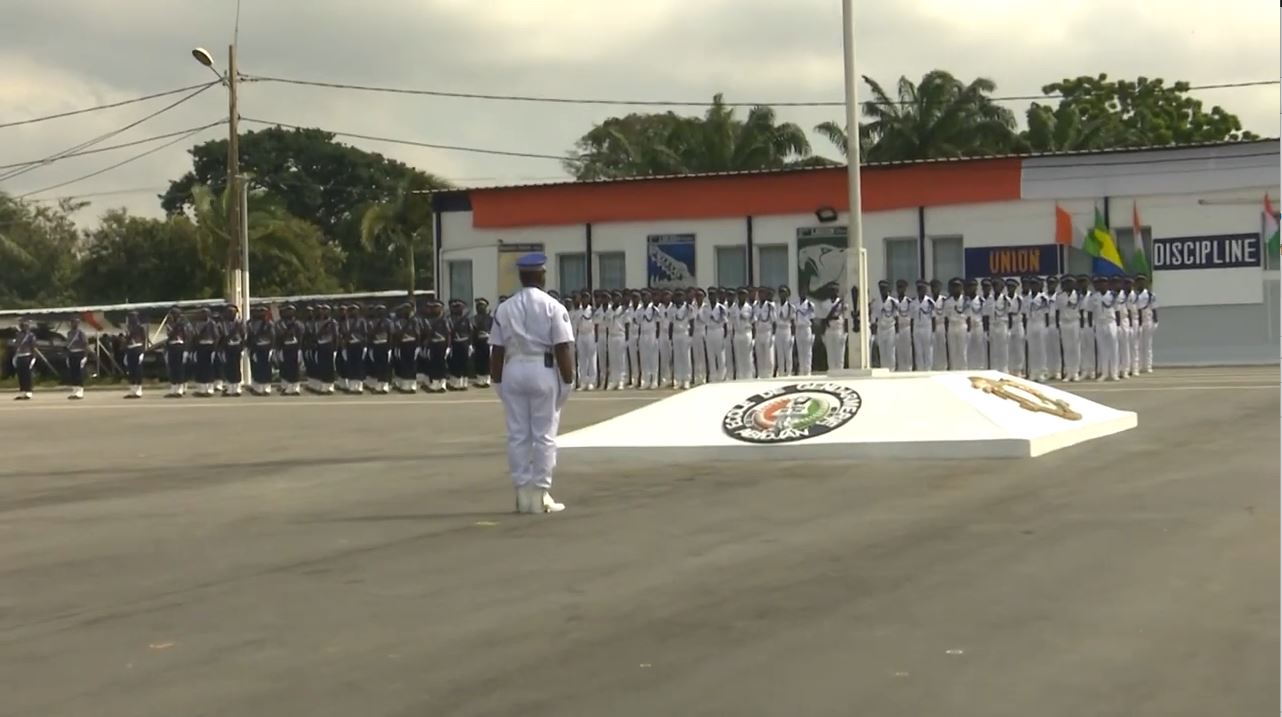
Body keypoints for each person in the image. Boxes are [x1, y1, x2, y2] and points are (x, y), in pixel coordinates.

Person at [488, 252, 575, 514]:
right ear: (540, 275)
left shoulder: (504, 308)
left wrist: (498, 382)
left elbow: (497, 349)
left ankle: (522, 493)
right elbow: (562, 347)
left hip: (513, 369)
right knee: (544, 435)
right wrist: (567, 381)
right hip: (542, 368)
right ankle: (540, 493)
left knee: (518, 435)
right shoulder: (553, 306)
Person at [1093, 276, 1120, 381]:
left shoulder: (1113, 296)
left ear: (1107, 284)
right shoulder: (1095, 296)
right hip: (1100, 324)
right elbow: (1091, 311)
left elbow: (1117, 311)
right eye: (1100, 283)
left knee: (1114, 349)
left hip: (1111, 322)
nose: (1102, 285)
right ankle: (1104, 373)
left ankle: (1114, 373)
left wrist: (1118, 325)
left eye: (1104, 283)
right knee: (1102, 349)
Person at [421, 300, 450, 393]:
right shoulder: (430, 320)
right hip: (433, 345)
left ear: (441, 308)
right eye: (433, 307)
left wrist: (448, 347)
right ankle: (435, 383)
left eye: (437, 307)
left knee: (442, 365)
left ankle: (442, 384)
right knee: (434, 364)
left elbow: (448, 334)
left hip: (442, 344)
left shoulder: (445, 320)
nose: (435, 309)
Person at [191, 307, 220, 397]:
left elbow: (216, 336)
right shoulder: (196, 324)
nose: (203, 315)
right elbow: (194, 336)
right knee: (200, 369)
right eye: (201, 313)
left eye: (205, 313)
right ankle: (201, 389)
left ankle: (209, 389)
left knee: (209, 368)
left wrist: (214, 348)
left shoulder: (212, 324)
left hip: (209, 346)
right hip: (200, 347)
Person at [276, 304, 305, 396]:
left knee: (295, 369)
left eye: (290, 311)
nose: (288, 312)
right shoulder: (281, 324)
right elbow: (278, 337)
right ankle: (289, 387)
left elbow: (301, 337)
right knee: (287, 368)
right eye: (287, 311)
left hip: (295, 348)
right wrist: (278, 349)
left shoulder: (298, 324)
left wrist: (300, 349)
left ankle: (296, 387)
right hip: (285, 348)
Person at [163, 306, 191, 398]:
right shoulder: (169, 324)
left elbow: (187, 336)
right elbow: (169, 335)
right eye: (172, 313)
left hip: (180, 345)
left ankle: (180, 389)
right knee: (172, 368)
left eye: (175, 313)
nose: (173, 315)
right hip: (172, 346)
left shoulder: (184, 324)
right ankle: (173, 388)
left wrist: (186, 350)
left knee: (180, 368)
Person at [248, 306, 275, 396]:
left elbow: (272, 337)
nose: (260, 314)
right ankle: (258, 388)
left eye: (263, 312)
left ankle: (267, 388)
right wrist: (250, 348)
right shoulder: (250, 324)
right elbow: (248, 337)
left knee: (267, 368)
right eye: (258, 311)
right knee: (256, 368)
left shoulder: (269, 324)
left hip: (266, 348)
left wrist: (272, 348)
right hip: (255, 349)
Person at [447, 299, 473, 391]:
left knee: (465, 363)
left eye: (459, 307)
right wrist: (449, 346)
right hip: (455, 343)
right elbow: (449, 333)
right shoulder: (450, 319)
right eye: (455, 307)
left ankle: (464, 383)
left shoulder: (467, 320)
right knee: (455, 363)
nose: (458, 309)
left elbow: (470, 332)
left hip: (464, 343)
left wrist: (470, 344)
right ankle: (456, 383)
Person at [574, 291, 598, 391]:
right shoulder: (578, 311)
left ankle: (591, 381)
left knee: (591, 358)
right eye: (583, 298)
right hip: (581, 335)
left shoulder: (592, 310)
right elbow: (575, 326)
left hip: (590, 335)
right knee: (582, 359)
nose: (584, 300)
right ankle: (583, 381)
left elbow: (596, 324)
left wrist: (596, 338)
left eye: (586, 298)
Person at [1060, 276, 1082, 382]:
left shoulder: (1078, 295)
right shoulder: (1060, 296)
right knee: (1067, 348)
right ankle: (1069, 372)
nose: (1067, 285)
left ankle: (1076, 371)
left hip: (1074, 322)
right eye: (1065, 283)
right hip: (1064, 323)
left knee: (1075, 348)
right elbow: (1057, 311)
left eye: (1069, 283)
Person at [393, 303, 419, 393]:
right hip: (403, 344)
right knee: (404, 365)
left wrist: (418, 346)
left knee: (412, 365)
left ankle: (412, 386)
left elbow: (418, 334)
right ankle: (405, 386)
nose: (407, 311)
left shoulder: (414, 321)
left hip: (412, 343)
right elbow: (396, 334)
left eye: (408, 309)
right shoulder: (399, 322)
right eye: (405, 309)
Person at [671, 288, 694, 389]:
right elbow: (671, 324)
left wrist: (690, 336)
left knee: (686, 358)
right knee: (677, 358)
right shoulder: (672, 308)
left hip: (685, 333)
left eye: (681, 295)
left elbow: (692, 323)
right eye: (677, 296)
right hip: (676, 334)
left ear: (684, 297)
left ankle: (686, 379)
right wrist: (670, 337)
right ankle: (678, 379)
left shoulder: (688, 308)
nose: (679, 298)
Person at [605, 291, 629, 390]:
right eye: (614, 297)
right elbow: (607, 326)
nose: (615, 299)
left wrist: (627, 339)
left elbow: (627, 325)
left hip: (620, 335)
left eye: (617, 297)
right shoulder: (609, 311)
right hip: (611, 336)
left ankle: (621, 380)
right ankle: (613, 380)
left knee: (621, 359)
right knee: (613, 359)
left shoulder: (624, 310)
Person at [220, 305, 245, 396]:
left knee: (237, 367)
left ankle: (237, 388)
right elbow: (221, 337)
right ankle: (230, 388)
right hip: (227, 347)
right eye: (228, 312)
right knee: (228, 368)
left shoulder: (239, 323)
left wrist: (242, 348)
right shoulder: (222, 324)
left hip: (236, 347)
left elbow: (243, 336)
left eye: (232, 312)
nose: (230, 314)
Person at [637, 291, 660, 389]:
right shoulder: (640, 310)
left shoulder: (654, 309)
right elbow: (638, 324)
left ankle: (654, 380)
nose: (644, 298)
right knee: (644, 359)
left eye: (646, 296)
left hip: (652, 334)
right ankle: (645, 380)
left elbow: (658, 324)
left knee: (653, 359)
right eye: (643, 297)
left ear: (650, 297)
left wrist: (657, 337)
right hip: (643, 334)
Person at [943, 279, 968, 370]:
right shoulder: (947, 301)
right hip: (952, 326)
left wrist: (968, 330)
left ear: (961, 288)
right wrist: (946, 331)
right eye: (954, 287)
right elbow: (946, 317)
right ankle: (953, 369)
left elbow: (968, 316)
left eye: (958, 287)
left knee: (962, 350)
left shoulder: (966, 300)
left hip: (961, 325)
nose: (956, 289)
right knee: (952, 350)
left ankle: (963, 370)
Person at [1135, 274, 1158, 373]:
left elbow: (1154, 309)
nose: (1140, 283)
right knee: (1138, 345)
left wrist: (1156, 322)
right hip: (1138, 322)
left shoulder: (1150, 295)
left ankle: (1148, 366)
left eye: (1142, 281)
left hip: (1148, 321)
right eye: (1138, 281)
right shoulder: (1134, 295)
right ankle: (1139, 365)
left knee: (1148, 345)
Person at [123, 311, 148, 399]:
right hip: (130, 349)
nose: (130, 319)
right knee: (131, 371)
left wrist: (142, 352)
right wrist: (126, 352)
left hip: (138, 348)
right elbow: (126, 341)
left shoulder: (140, 328)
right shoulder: (128, 328)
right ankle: (132, 390)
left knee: (138, 371)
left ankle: (138, 390)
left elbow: (144, 340)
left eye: (132, 317)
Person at [11, 317, 36, 400]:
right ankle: (22, 391)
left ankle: (28, 391)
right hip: (19, 356)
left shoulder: (30, 335)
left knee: (27, 375)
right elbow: (16, 346)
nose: (22, 326)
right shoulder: (18, 335)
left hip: (27, 356)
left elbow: (33, 347)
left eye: (24, 325)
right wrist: (15, 357)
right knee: (20, 375)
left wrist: (33, 358)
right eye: (21, 324)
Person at [63, 316, 88, 400]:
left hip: (79, 353)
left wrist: (85, 356)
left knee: (79, 373)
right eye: (72, 322)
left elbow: (85, 345)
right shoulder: (69, 333)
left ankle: (80, 391)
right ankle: (74, 390)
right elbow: (67, 345)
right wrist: (67, 356)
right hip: (71, 354)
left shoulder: (80, 333)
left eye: (76, 322)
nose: (74, 324)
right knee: (72, 373)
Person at [1005, 278, 1026, 377]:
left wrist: (1025, 328)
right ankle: (1010, 369)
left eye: (1013, 287)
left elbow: (1024, 314)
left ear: (1016, 288)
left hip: (1018, 324)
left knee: (1019, 348)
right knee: (1009, 348)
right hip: (1007, 325)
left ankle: (1018, 369)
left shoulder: (1020, 299)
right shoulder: (1004, 299)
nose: (1011, 289)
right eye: (1009, 287)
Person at [1077, 274, 1096, 380]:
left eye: (1084, 282)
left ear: (1088, 283)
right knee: (1082, 348)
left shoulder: (1092, 296)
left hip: (1090, 323)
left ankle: (1092, 370)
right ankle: (1084, 370)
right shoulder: (1077, 296)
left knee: (1091, 348)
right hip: (1080, 323)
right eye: (1080, 282)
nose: (1082, 284)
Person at [773, 285, 795, 377]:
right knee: (780, 353)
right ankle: (781, 372)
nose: (782, 294)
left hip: (787, 330)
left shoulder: (791, 307)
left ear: (788, 294)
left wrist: (793, 335)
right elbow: (774, 321)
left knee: (788, 352)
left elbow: (793, 321)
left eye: (784, 293)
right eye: (781, 292)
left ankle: (789, 372)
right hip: (778, 330)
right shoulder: (775, 306)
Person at [471, 299, 494, 388]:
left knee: (487, 360)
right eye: (479, 306)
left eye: (482, 306)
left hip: (487, 341)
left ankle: (487, 379)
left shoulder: (490, 319)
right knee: (478, 360)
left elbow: (493, 330)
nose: (480, 308)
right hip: (478, 341)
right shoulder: (474, 318)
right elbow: (472, 331)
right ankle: (480, 380)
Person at [892, 280, 914, 371]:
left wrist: (912, 331)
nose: (900, 289)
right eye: (898, 287)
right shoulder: (894, 302)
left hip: (906, 327)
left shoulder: (909, 302)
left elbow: (912, 317)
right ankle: (900, 368)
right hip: (897, 328)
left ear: (905, 289)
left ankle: (908, 367)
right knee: (898, 349)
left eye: (902, 287)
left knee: (907, 349)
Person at [1045, 275, 1063, 381]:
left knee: (1056, 349)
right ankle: (1049, 370)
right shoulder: (1043, 296)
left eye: (1053, 284)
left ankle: (1057, 371)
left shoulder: (1059, 297)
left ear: (1056, 285)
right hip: (1046, 323)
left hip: (1056, 323)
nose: (1051, 285)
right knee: (1047, 349)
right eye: (1049, 283)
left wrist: (1058, 325)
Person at [794, 287, 816, 375]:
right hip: (798, 328)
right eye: (800, 292)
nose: (802, 294)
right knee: (800, 350)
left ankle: (808, 371)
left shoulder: (810, 305)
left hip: (807, 328)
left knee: (807, 351)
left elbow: (813, 319)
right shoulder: (795, 305)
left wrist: (813, 333)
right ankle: (801, 370)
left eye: (804, 292)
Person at [930, 279, 947, 370]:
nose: (934, 289)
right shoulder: (929, 300)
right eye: (932, 287)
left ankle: (943, 367)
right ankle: (934, 367)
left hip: (941, 325)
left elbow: (947, 316)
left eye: (936, 287)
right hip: (931, 326)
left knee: (941, 346)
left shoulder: (944, 300)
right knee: (933, 347)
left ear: (940, 288)